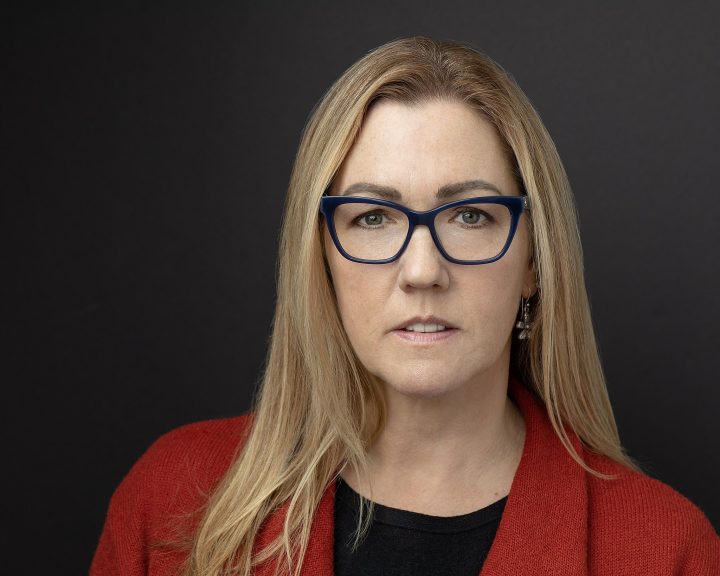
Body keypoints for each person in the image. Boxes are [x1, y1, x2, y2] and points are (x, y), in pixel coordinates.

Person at [90, 36, 719, 576]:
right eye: (372, 217)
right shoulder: (172, 501)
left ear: (534, 260)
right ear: (321, 259)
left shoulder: (666, 550)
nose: (422, 271)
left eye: (471, 214)